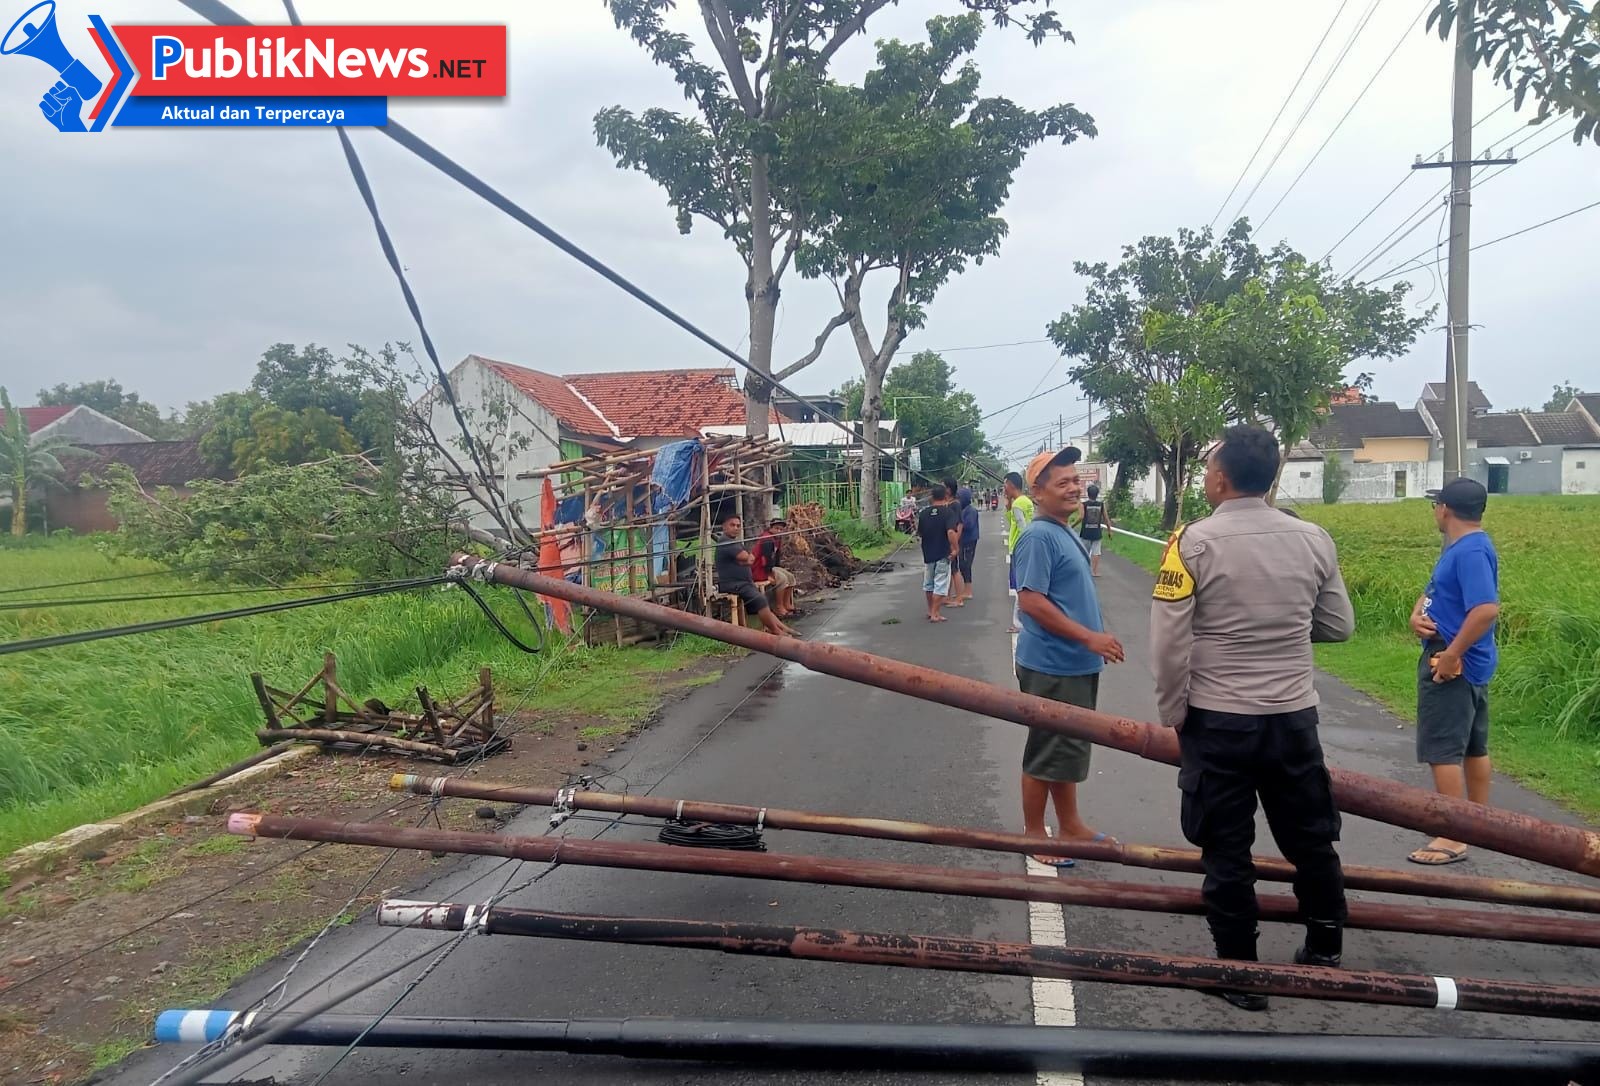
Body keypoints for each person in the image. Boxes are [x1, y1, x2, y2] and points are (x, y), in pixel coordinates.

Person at [1149, 425, 1355, 1011]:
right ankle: (1324, 948)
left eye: (1209, 467)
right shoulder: (1314, 539)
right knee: (1312, 838)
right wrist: (1283, 630)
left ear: (1220, 476)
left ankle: (1240, 973)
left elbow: (1169, 644)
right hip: (1293, 717)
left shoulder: (1191, 543)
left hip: (1219, 720)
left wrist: (1174, 711)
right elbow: (1339, 625)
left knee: (1227, 847)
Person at [1013, 447, 1125, 866]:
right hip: (1053, 664)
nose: (1074, 488)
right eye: (1063, 483)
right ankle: (1033, 836)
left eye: (1075, 480)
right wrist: (1089, 638)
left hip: (1073, 663)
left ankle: (1071, 824)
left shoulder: (1062, 530)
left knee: (1068, 747)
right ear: (1038, 493)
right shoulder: (1040, 536)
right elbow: (1032, 602)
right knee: (1047, 749)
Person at [1407, 477, 1499, 867]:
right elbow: (1436, 591)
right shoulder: (1464, 547)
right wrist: (1417, 614)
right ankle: (1477, 822)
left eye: (1435, 505)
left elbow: (1485, 609)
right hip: (1468, 661)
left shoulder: (1469, 551)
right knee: (1474, 745)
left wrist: (1450, 655)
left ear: (1445, 509)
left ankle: (1454, 834)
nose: (1434, 512)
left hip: (1452, 663)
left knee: (1443, 749)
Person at [714, 513, 793, 636]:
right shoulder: (726, 542)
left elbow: (747, 560)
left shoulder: (735, 542)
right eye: (732, 525)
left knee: (763, 600)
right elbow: (748, 558)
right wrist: (748, 557)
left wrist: (746, 559)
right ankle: (776, 631)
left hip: (743, 582)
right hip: (733, 584)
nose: (736, 528)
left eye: (738, 526)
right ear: (724, 527)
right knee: (760, 600)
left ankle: (782, 628)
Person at [917, 485, 959, 622]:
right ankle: (935, 613)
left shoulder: (923, 513)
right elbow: (951, 532)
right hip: (943, 554)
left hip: (928, 554)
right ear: (946, 496)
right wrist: (955, 548)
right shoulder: (948, 513)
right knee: (940, 584)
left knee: (928, 584)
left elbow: (920, 534)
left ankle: (930, 611)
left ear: (931, 497)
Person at [1003, 471, 1034, 634]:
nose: (1004, 487)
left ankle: (1018, 623)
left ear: (1012, 485)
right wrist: (1008, 507)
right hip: (1024, 547)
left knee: (1018, 587)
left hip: (1019, 548)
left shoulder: (1018, 504)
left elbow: (1022, 528)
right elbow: (1015, 522)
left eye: (1005, 483)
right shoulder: (1025, 501)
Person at [752, 518, 800, 619]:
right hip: (759, 568)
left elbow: (777, 556)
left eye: (781, 529)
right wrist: (769, 574)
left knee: (790, 577)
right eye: (776, 528)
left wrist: (778, 568)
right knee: (782, 579)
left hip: (770, 566)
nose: (779, 531)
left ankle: (787, 604)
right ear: (771, 528)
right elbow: (765, 559)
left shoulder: (777, 539)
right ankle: (779, 606)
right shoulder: (767, 539)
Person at [1072, 483, 1114, 577]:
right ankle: (1094, 572)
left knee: (1084, 552)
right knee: (1096, 552)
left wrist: (1072, 526)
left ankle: (1084, 571)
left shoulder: (1084, 504)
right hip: (1097, 532)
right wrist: (1109, 530)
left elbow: (1081, 517)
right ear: (1097, 494)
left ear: (1088, 493)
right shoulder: (1101, 505)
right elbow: (1106, 519)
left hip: (1086, 532)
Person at [943, 477, 967, 606]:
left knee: (954, 570)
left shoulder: (955, 504)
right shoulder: (947, 503)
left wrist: (955, 543)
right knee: (949, 570)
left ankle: (959, 598)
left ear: (948, 488)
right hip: (948, 541)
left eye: (943, 485)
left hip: (953, 541)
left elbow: (959, 524)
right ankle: (947, 596)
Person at [954, 488, 980, 605]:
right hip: (963, 540)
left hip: (969, 541)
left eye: (959, 498)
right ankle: (965, 590)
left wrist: (957, 525)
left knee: (966, 564)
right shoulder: (963, 509)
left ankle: (968, 591)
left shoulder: (971, 511)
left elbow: (968, 525)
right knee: (962, 564)